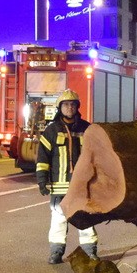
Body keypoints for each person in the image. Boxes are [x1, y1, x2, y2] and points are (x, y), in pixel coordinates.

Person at [36, 89, 98, 264]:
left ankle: (90, 252)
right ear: (59, 108)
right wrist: (42, 181)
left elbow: (97, 157)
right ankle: (56, 252)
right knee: (58, 220)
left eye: (72, 104)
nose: (69, 108)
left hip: (82, 186)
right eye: (65, 104)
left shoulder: (87, 129)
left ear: (77, 107)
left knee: (85, 218)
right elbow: (42, 159)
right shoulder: (51, 131)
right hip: (59, 186)